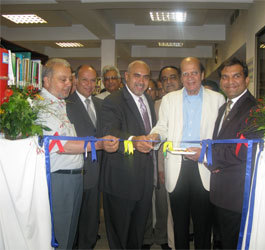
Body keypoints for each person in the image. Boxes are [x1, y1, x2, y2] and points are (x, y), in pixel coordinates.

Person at [37, 58, 119, 249]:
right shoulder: (44, 106)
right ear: (46, 81)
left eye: (69, 80)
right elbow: (62, 145)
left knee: (71, 232)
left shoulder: (59, 104)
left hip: (78, 175)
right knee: (61, 235)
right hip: (60, 178)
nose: (68, 84)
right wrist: (98, 144)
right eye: (62, 79)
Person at [149, 57, 225, 249]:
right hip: (177, 165)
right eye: (185, 73)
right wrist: (154, 136)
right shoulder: (169, 99)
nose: (190, 77)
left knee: (203, 223)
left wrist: (209, 153)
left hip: (204, 164)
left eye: (194, 73)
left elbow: (220, 135)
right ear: (181, 77)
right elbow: (162, 127)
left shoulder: (217, 99)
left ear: (202, 75)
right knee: (179, 223)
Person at [99, 60, 157, 249]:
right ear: (126, 77)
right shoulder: (112, 101)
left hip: (144, 179)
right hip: (121, 181)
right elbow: (109, 132)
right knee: (120, 237)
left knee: (137, 235)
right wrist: (133, 140)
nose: (141, 81)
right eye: (136, 75)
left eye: (146, 76)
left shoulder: (148, 99)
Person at [209, 57, 261, 249]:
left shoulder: (255, 109)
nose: (230, 82)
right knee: (221, 241)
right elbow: (218, 142)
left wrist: (205, 156)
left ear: (247, 80)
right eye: (225, 77)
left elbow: (242, 151)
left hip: (236, 194)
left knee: (233, 243)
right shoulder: (224, 107)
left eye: (236, 76)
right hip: (219, 192)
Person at [142, 65, 183, 250]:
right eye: (164, 79)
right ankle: (161, 238)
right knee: (159, 205)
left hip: (187, 164)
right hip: (161, 163)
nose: (168, 82)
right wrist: (160, 167)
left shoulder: (187, 101)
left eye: (172, 77)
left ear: (180, 79)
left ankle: (172, 238)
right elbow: (156, 138)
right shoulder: (156, 105)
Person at [66, 64, 102, 249]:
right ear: (76, 80)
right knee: (73, 224)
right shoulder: (65, 104)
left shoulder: (100, 104)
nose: (89, 84)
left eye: (93, 80)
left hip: (96, 174)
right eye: (84, 80)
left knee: (91, 222)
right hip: (75, 172)